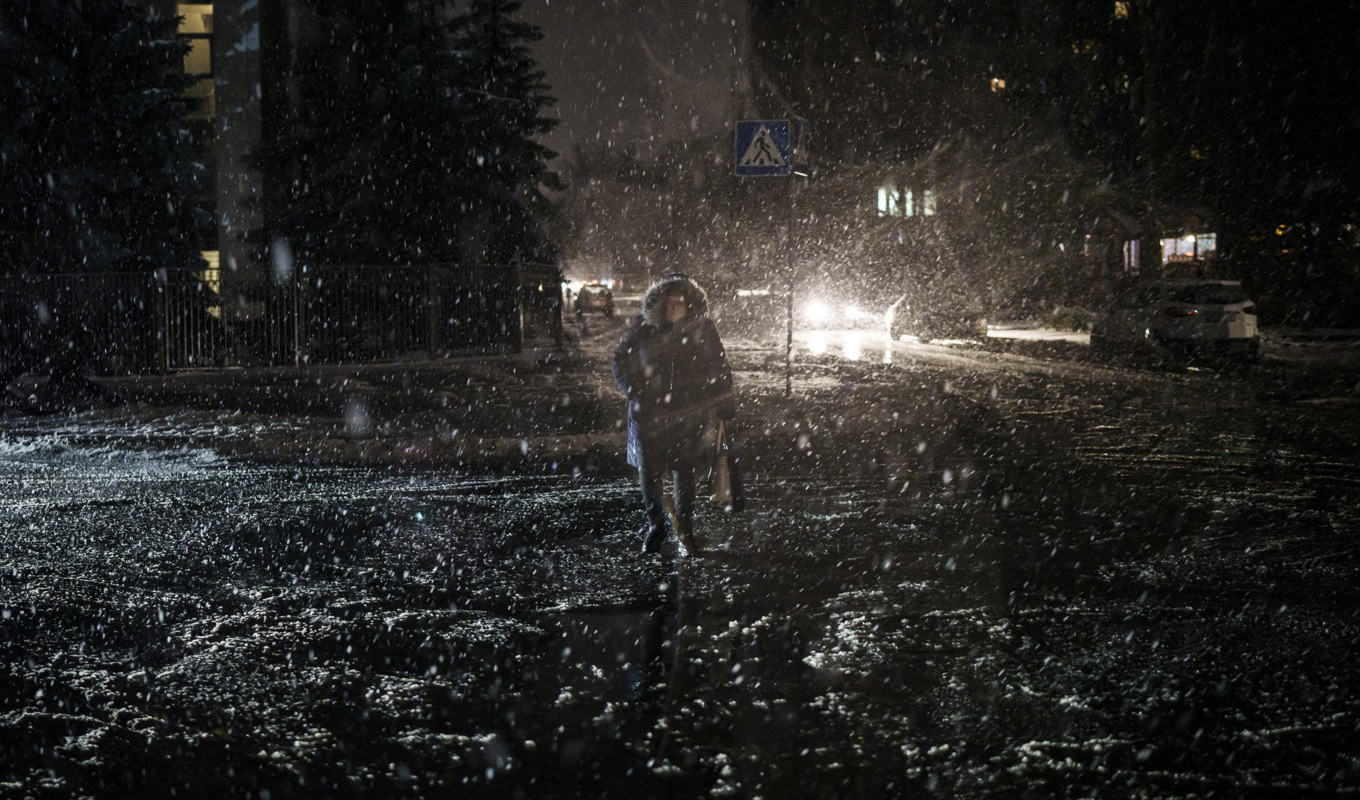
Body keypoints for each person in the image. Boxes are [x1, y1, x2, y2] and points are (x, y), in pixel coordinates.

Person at [612, 274, 735, 554]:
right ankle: (656, 527)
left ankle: (685, 531)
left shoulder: (703, 329)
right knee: (650, 474)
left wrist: (724, 407)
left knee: (684, 473)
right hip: (648, 416)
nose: (674, 308)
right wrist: (634, 389)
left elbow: (719, 367)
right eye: (669, 302)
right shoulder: (643, 327)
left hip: (687, 416)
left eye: (680, 302)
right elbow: (619, 359)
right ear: (660, 303)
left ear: (690, 304)